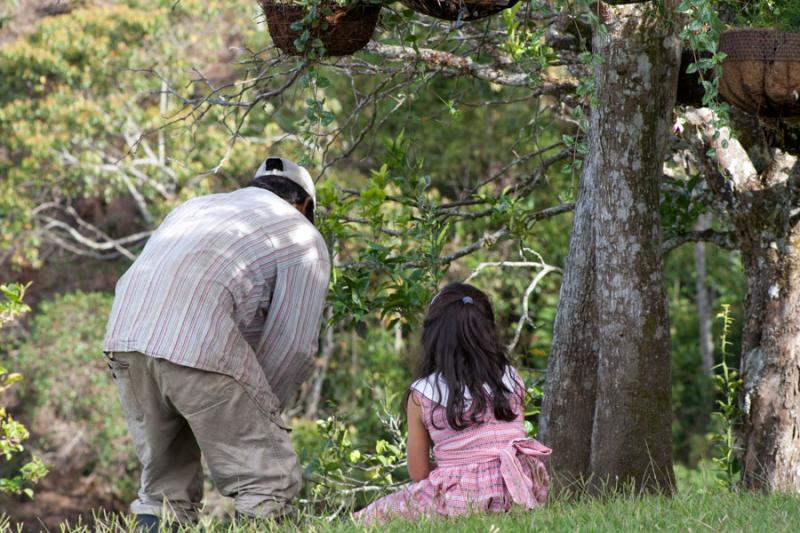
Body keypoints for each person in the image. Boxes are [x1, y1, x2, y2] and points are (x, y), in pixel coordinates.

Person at [102, 157, 330, 529]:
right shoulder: (301, 234)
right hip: (198, 338)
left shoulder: (196, 206)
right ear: (304, 205)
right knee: (268, 480)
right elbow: (293, 346)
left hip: (126, 335)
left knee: (163, 490)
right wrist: (260, 413)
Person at [354, 282, 551, 523]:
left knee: (371, 518)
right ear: (488, 330)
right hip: (516, 489)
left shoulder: (423, 393)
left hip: (461, 500)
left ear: (434, 335)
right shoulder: (510, 377)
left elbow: (419, 472)